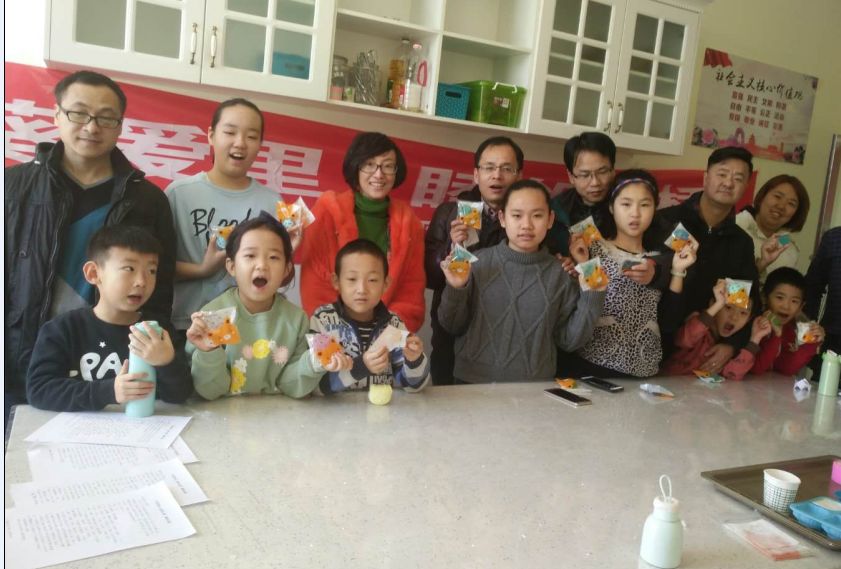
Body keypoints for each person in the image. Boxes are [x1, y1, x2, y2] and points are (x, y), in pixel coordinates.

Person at [5, 70, 176, 423]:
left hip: (112, 371)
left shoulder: (147, 200)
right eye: (79, 113)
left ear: (120, 125)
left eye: (106, 117)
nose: (92, 126)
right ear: (56, 115)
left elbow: (159, 294)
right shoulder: (13, 187)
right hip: (20, 366)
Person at [437, 180, 606, 383]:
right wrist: (456, 288)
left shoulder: (560, 273)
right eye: (517, 215)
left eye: (537, 216)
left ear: (550, 219)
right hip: (470, 384)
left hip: (533, 389)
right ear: (502, 218)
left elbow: (570, 341)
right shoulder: (477, 263)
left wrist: (593, 293)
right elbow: (451, 325)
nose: (526, 225)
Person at [26, 226, 191, 411]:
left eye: (152, 271)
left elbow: (181, 395)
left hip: (146, 426)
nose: (142, 281)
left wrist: (166, 362)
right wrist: (109, 391)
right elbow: (39, 390)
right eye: (129, 268)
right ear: (93, 273)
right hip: (82, 429)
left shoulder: (158, 330)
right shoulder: (63, 329)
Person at [167, 98, 294, 334]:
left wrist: (288, 253)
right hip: (187, 325)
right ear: (211, 135)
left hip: (249, 332)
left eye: (252, 136)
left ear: (260, 144)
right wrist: (201, 270)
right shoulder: (179, 194)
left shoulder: (271, 202)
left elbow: (280, 279)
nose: (240, 143)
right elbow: (155, 265)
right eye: (230, 132)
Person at [186, 214, 338, 400]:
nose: (262, 265)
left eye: (273, 257)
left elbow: (291, 386)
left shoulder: (296, 319)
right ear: (232, 266)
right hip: (223, 414)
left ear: (286, 269)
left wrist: (314, 362)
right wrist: (208, 351)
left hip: (278, 414)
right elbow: (209, 391)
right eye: (250, 255)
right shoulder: (212, 316)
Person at [562, 170, 696, 378]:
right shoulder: (592, 248)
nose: (635, 214)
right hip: (593, 368)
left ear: (655, 208)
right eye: (626, 204)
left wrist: (678, 270)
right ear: (611, 207)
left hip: (645, 372)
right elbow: (585, 308)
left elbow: (669, 323)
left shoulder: (659, 260)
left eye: (644, 205)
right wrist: (584, 263)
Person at [644, 146, 759, 373]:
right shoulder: (665, 221)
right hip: (650, 342)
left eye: (738, 178)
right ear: (706, 178)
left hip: (697, 354)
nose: (728, 183)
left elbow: (744, 300)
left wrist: (731, 344)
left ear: (745, 186)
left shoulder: (741, 242)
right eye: (722, 174)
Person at [300, 132, 425, 331]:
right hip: (332, 335)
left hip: (387, 337)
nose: (379, 174)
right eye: (369, 164)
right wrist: (339, 336)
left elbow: (411, 290)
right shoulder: (327, 211)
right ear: (355, 167)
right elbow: (315, 284)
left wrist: (388, 337)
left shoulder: (409, 223)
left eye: (387, 166)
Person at [424, 136, 522, 384]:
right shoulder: (450, 213)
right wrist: (451, 246)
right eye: (489, 167)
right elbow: (429, 277)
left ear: (518, 175)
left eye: (506, 168)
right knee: (447, 401)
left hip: (503, 334)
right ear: (476, 175)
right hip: (451, 332)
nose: (497, 175)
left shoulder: (526, 220)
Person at [310, 239, 430, 394]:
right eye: (352, 279)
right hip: (336, 409)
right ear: (336, 281)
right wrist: (362, 366)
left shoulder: (394, 325)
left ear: (385, 284)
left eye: (372, 280)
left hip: (381, 408)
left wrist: (414, 361)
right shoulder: (322, 321)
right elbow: (316, 386)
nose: (362, 289)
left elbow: (413, 386)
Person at [663, 279, 771, 381]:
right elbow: (684, 340)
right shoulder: (698, 321)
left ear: (749, 319)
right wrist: (717, 305)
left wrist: (755, 339)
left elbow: (733, 374)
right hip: (669, 384)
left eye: (743, 313)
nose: (734, 317)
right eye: (728, 307)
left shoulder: (733, 343)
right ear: (713, 303)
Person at [751, 267, 825, 376]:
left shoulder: (789, 331)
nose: (786, 306)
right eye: (779, 298)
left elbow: (786, 368)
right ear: (765, 297)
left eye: (794, 301)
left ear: (800, 307)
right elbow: (756, 368)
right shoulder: (754, 324)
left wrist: (812, 341)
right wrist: (776, 335)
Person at [735, 174, 810, 282]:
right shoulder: (736, 228)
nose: (781, 206)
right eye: (777, 197)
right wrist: (760, 266)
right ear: (762, 197)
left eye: (791, 203)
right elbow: (728, 289)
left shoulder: (788, 248)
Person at [804, 227, 841, 374]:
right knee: (824, 384)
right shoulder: (834, 238)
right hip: (833, 339)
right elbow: (812, 287)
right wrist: (807, 331)